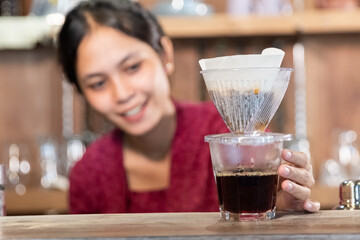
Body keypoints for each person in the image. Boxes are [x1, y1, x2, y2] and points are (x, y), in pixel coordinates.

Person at [57, 0, 320, 214]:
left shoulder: (227, 132)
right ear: (80, 91)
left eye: (132, 67)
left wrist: (284, 211)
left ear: (165, 55)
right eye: (98, 83)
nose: (122, 93)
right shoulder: (89, 174)